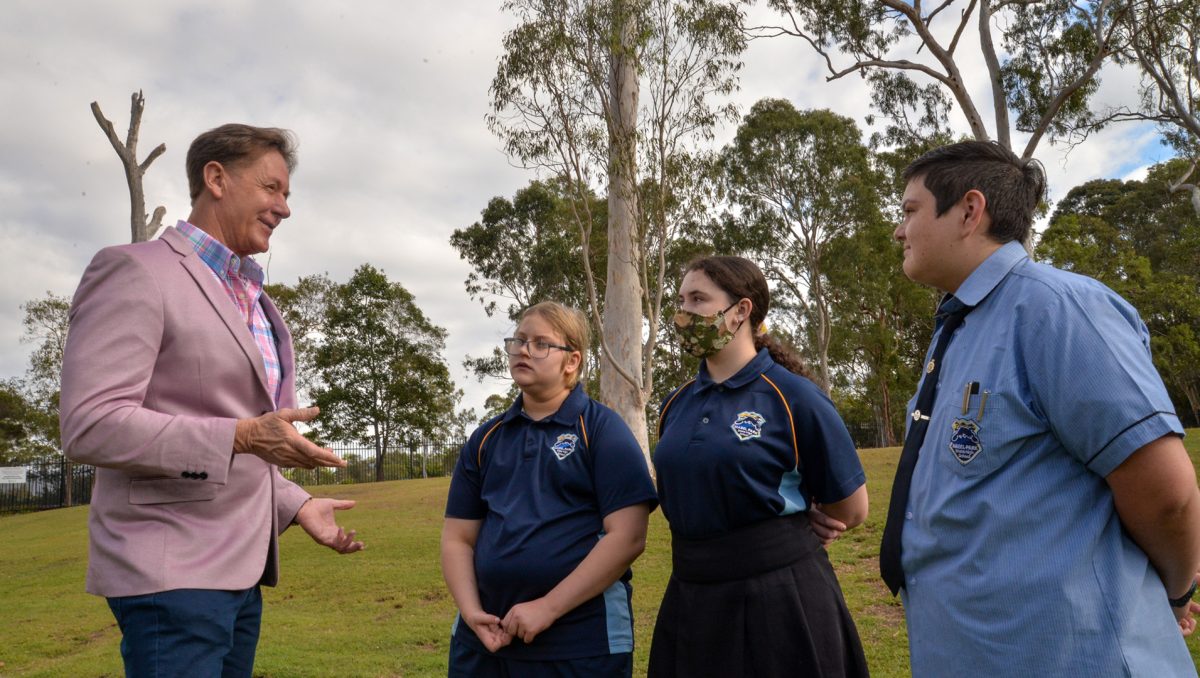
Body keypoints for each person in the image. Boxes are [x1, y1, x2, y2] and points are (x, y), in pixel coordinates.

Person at [884, 140, 1200, 676]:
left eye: (910, 211)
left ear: (968, 211)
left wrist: (1177, 590)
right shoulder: (959, 329)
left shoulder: (1058, 310)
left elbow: (1165, 492)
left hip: (1068, 655)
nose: (899, 230)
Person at [60, 123, 365, 677]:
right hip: (169, 573)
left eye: (288, 195)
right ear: (216, 179)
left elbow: (239, 439)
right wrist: (244, 435)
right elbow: (91, 423)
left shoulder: (259, 301)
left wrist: (295, 504)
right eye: (272, 188)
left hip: (240, 571)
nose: (284, 207)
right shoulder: (135, 271)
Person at [648, 255, 871, 678]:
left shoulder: (794, 396)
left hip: (780, 598)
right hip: (691, 599)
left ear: (741, 311)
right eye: (681, 299)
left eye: (699, 299)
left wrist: (798, 523)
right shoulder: (674, 405)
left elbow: (853, 508)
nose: (684, 313)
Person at [441, 301, 657, 677]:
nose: (524, 350)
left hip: (579, 646)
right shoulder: (485, 438)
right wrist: (472, 612)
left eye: (541, 343)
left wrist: (547, 608)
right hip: (483, 646)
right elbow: (457, 538)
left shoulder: (603, 431)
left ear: (571, 361)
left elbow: (628, 538)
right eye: (519, 340)